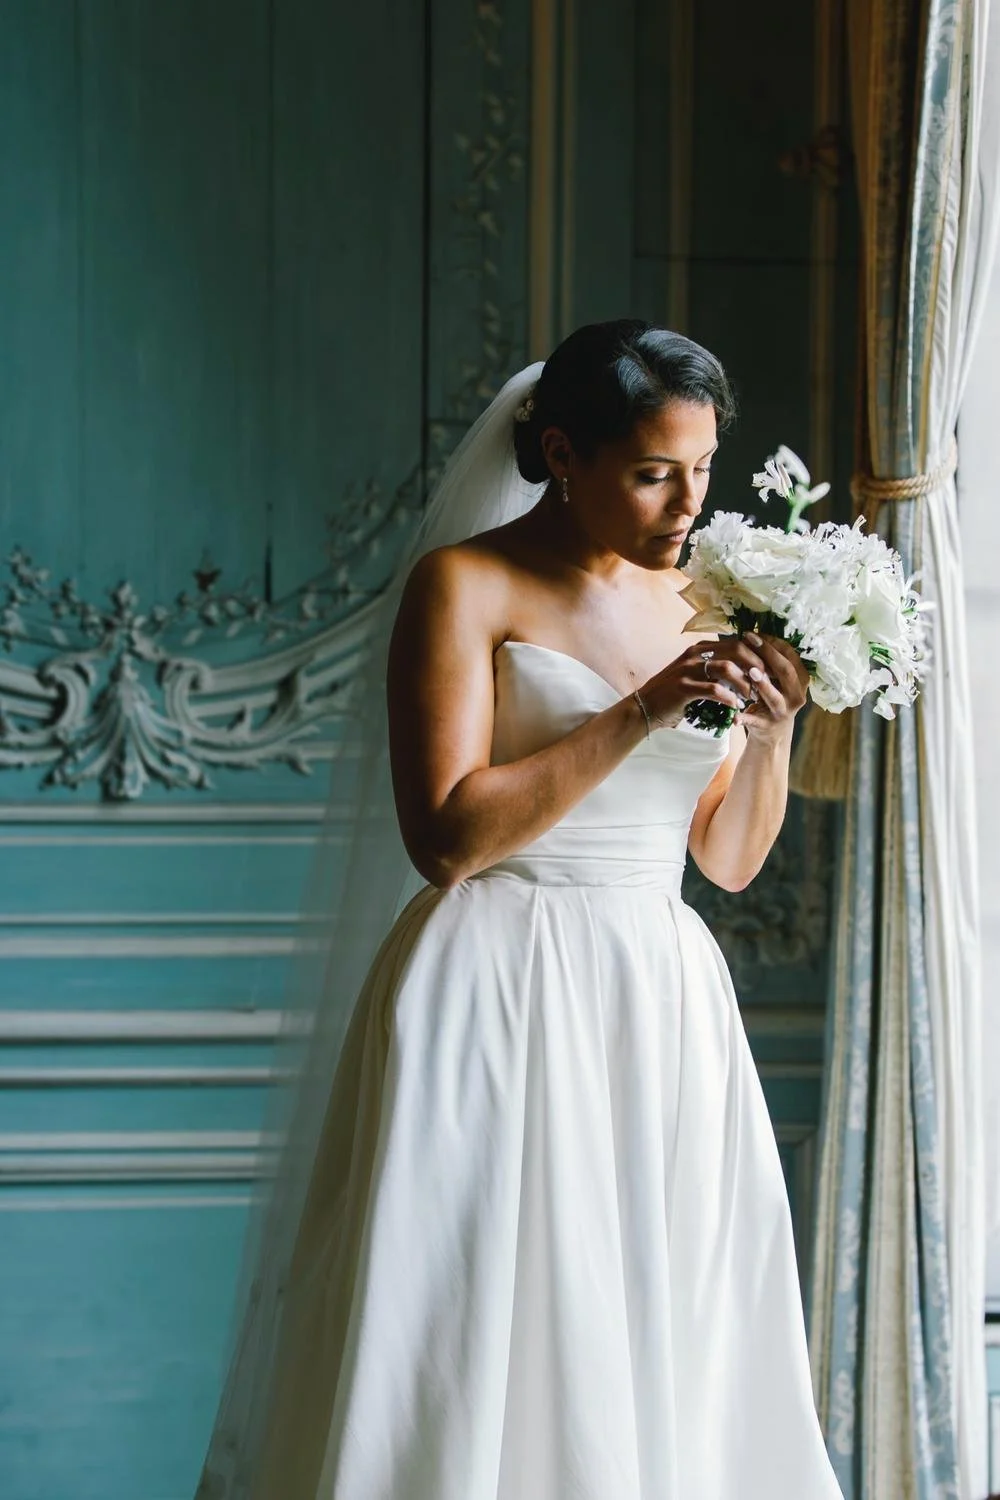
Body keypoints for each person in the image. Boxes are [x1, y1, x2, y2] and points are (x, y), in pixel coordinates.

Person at [196, 320, 845, 1499]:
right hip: (491, 981)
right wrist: (638, 715)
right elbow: (445, 840)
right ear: (558, 451)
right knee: (467, 1315)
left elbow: (729, 861)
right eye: (653, 472)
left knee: (660, 1313)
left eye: (702, 468)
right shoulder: (467, 584)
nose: (685, 504)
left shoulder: (705, 597)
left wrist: (774, 731)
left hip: (657, 995)